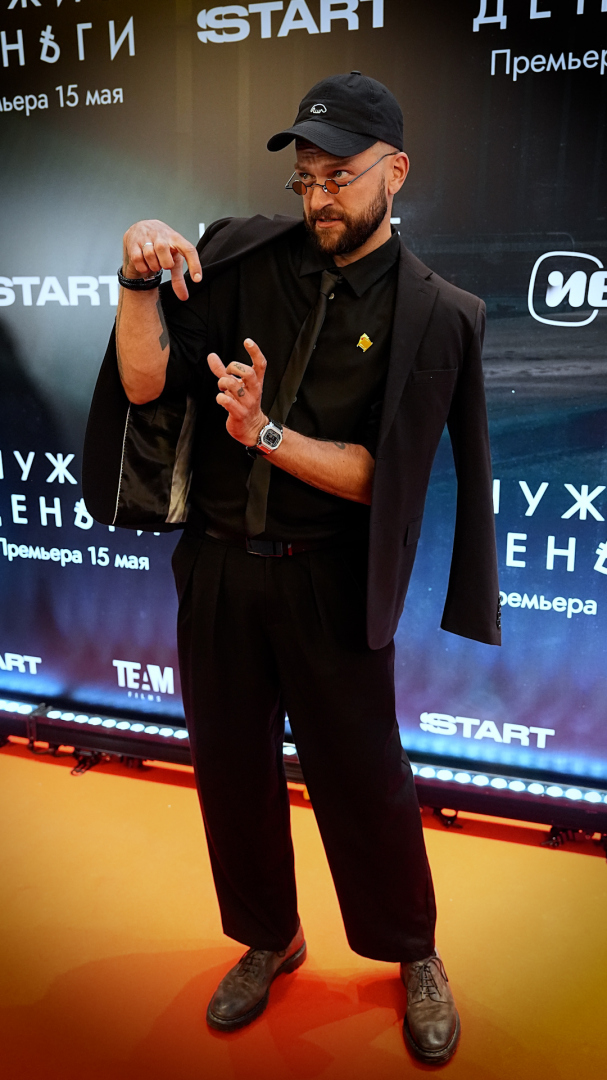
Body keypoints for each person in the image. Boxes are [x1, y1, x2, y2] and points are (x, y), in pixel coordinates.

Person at [84, 72, 500, 1066]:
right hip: (219, 572)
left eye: (339, 176)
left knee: (367, 783)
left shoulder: (438, 315)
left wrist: (263, 433)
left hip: (332, 582)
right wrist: (136, 281)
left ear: (395, 172)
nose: (318, 197)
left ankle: (412, 950)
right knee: (230, 774)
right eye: (305, 177)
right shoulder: (236, 256)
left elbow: (382, 479)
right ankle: (269, 937)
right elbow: (145, 382)